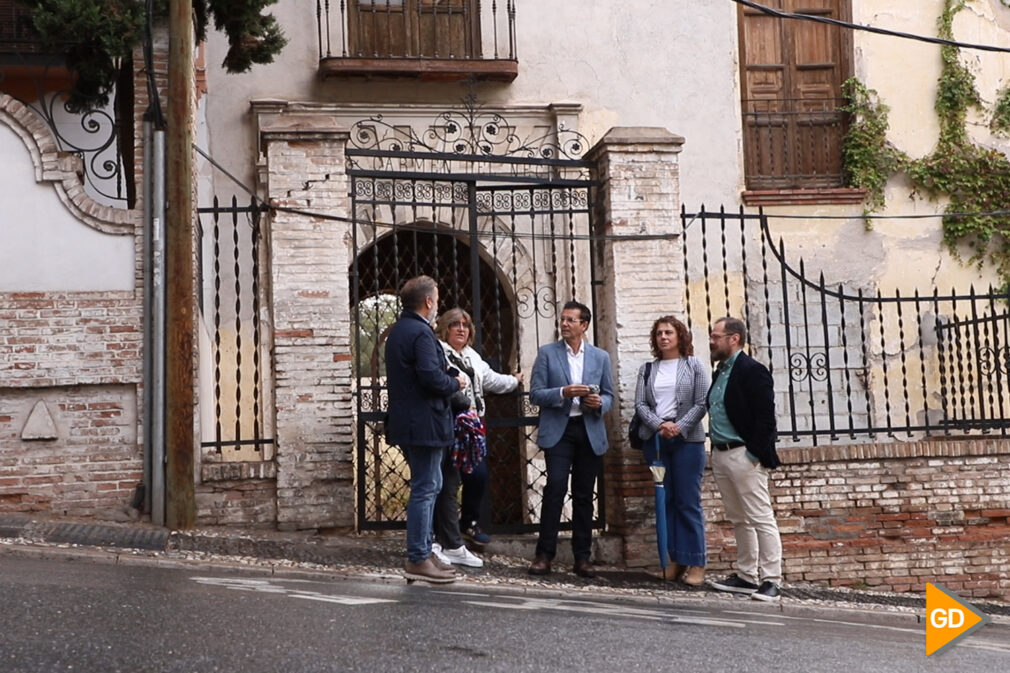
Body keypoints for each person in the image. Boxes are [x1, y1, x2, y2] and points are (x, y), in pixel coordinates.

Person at [384, 275, 467, 584]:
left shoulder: (400, 331)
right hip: (425, 423)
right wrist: (456, 382)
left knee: (427, 485)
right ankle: (418, 557)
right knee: (426, 487)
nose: (438, 305)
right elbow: (431, 379)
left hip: (412, 422)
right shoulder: (419, 333)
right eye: (437, 299)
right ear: (428, 301)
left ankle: (423, 551)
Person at [527, 300, 614, 578]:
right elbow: (536, 394)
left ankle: (582, 557)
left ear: (584, 325)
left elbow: (611, 394)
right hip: (559, 430)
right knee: (554, 488)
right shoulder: (547, 354)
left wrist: (599, 402)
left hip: (588, 429)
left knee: (584, 495)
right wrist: (562, 392)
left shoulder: (600, 357)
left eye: (570, 320)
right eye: (562, 319)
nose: (564, 324)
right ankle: (544, 555)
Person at [706, 316, 783, 602]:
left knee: (760, 517)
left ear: (733, 338)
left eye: (716, 336)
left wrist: (753, 454)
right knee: (739, 518)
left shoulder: (752, 371)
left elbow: (766, 418)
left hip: (743, 454)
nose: (712, 341)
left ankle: (772, 579)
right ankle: (746, 575)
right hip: (721, 454)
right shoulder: (720, 371)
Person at [435, 308, 524, 551]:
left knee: (478, 474)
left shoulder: (473, 356)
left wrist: (514, 380)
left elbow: (491, 379)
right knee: (447, 481)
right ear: (445, 328)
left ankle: (470, 522)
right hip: (450, 422)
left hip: (474, 426)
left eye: (465, 325)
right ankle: (444, 534)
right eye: (455, 324)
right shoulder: (438, 352)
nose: (461, 329)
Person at [634, 315, 711, 586]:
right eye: (658, 333)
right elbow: (641, 405)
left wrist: (679, 426)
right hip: (656, 442)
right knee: (665, 503)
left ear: (680, 336)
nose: (663, 337)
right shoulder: (647, 369)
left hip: (688, 442)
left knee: (687, 502)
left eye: (668, 332)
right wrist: (660, 425)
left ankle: (697, 564)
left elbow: (702, 402)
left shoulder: (694, 365)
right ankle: (674, 562)